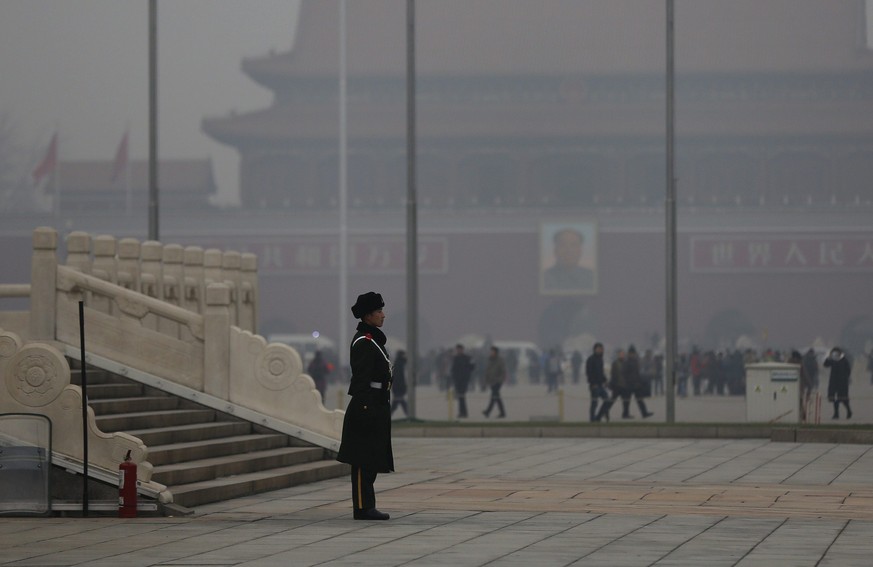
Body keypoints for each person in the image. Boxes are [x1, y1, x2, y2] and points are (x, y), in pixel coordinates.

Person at [336, 292, 394, 521]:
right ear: (368, 315)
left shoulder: (373, 340)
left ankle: (367, 504)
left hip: (377, 404)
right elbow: (360, 380)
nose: (383, 315)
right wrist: (366, 409)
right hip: (366, 406)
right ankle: (362, 506)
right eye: (379, 311)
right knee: (362, 460)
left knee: (371, 458)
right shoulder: (364, 342)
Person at [541, 228, 595, 293]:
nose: (568, 251)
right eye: (562, 245)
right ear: (555, 250)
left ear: (580, 251)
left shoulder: (591, 277)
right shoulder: (544, 278)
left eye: (574, 245)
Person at [625, 345, 654, 419]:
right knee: (627, 400)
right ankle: (625, 413)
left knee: (640, 399)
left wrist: (639, 382)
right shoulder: (627, 362)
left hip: (636, 384)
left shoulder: (635, 361)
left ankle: (644, 413)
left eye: (633, 353)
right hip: (629, 384)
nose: (632, 354)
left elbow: (637, 373)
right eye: (631, 353)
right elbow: (625, 373)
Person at [824, 346, 852, 419]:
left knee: (843, 399)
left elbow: (848, 370)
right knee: (835, 399)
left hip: (842, 382)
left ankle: (848, 410)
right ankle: (836, 413)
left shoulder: (844, 360)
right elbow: (825, 365)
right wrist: (828, 357)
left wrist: (846, 378)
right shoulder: (832, 360)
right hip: (834, 382)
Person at [586, 342, 611, 422]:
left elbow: (601, 372)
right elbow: (589, 373)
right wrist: (593, 384)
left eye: (601, 349)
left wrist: (605, 381)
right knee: (594, 403)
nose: (600, 350)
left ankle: (598, 417)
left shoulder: (600, 359)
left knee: (607, 400)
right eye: (599, 349)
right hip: (594, 386)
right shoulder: (590, 359)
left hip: (600, 385)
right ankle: (592, 419)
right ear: (595, 349)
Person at [450, 344, 475, 418]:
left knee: (462, 396)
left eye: (460, 349)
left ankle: (463, 412)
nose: (458, 351)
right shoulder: (455, 358)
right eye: (457, 349)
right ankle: (462, 412)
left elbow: (472, 367)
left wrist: (467, 373)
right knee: (460, 397)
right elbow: (453, 369)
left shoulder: (467, 358)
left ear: (462, 350)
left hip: (464, 379)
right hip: (457, 380)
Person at [482, 346, 507, 418]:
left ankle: (488, 411)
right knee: (497, 397)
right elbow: (487, 371)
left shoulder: (500, 360)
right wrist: (486, 381)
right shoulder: (490, 360)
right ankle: (502, 413)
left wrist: (500, 379)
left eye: (492, 351)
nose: (491, 353)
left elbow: (503, 371)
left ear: (496, 352)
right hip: (491, 381)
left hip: (498, 381)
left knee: (494, 396)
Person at [391, 350, 409, 418]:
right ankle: (409, 415)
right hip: (398, 387)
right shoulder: (399, 364)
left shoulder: (399, 363)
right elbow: (398, 377)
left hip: (398, 387)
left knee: (396, 403)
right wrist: (402, 387)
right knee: (401, 402)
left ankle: (408, 415)